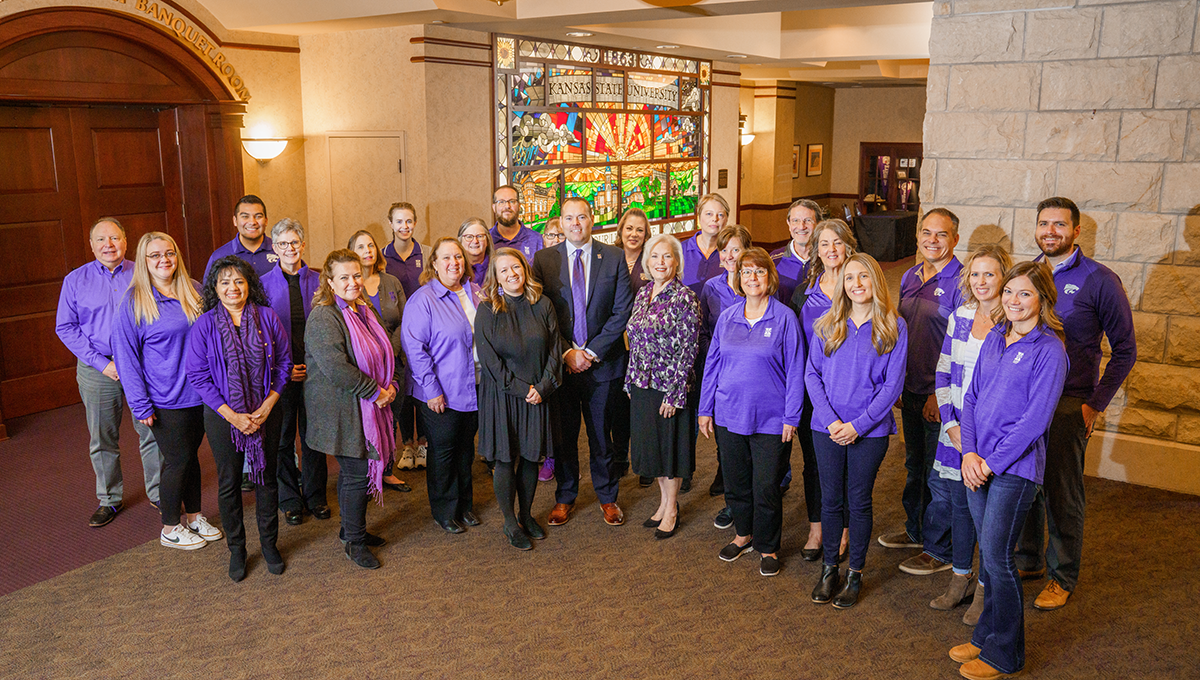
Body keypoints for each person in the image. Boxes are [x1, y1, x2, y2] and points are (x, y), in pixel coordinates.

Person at [1015, 196, 1136, 611]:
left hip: (1070, 403)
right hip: (1024, 402)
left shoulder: (1100, 280)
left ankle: (1061, 575)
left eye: (1059, 225)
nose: (1050, 231)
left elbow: (1125, 350)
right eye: (1043, 223)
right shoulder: (1027, 275)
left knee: (1061, 492)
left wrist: (1094, 405)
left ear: (1076, 231)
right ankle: (1027, 560)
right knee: (1024, 483)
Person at [950, 260, 1068, 680]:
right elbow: (971, 399)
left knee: (999, 559)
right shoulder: (995, 339)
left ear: (1043, 300)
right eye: (1009, 293)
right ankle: (984, 638)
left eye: (1025, 294)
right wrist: (968, 454)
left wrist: (990, 462)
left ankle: (1005, 655)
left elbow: (1035, 421)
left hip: (1014, 470)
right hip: (976, 461)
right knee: (990, 557)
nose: (1014, 301)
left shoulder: (1049, 350)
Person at [806, 253, 908, 608]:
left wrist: (858, 425)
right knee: (831, 500)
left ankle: (856, 574)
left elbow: (892, 386)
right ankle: (830, 568)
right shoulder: (827, 323)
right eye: (850, 278)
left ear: (876, 281)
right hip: (826, 427)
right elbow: (811, 375)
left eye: (864, 277)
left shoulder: (894, 325)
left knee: (858, 501)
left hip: (871, 430)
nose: (856, 284)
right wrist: (833, 422)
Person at [698, 248, 803, 577]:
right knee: (737, 482)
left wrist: (792, 416)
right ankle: (743, 533)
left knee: (767, 486)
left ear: (769, 278)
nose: (752, 278)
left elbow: (797, 370)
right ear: (739, 279)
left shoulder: (784, 318)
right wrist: (705, 409)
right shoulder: (728, 317)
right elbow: (712, 364)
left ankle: (768, 546)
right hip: (729, 413)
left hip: (772, 419)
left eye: (759, 272)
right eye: (746, 273)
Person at [112, 232, 220, 552]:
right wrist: (140, 404)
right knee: (177, 460)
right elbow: (126, 358)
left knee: (191, 459)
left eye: (169, 253)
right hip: (164, 397)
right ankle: (171, 526)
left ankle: (195, 516)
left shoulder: (195, 289)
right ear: (144, 262)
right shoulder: (134, 302)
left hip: (200, 393)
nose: (164, 260)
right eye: (155, 255)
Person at [186, 256, 290, 581]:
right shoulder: (204, 325)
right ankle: (237, 549)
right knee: (229, 483)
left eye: (239, 281)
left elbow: (284, 363)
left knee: (266, 479)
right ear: (215, 288)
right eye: (225, 282)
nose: (233, 288)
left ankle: (270, 545)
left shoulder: (268, 317)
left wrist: (269, 404)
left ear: (250, 285)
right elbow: (198, 376)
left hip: (265, 412)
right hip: (223, 416)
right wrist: (233, 416)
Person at [532, 197, 633, 527]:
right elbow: (540, 316)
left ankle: (607, 496)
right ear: (560, 223)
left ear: (593, 220)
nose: (575, 223)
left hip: (602, 365)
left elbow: (621, 313)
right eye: (569, 218)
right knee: (563, 436)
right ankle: (565, 495)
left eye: (582, 217)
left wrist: (588, 353)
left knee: (602, 436)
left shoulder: (614, 257)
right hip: (560, 365)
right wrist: (567, 353)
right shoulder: (544, 259)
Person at [56, 218, 162, 527]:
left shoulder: (145, 273)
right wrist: (105, 364)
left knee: (152, 431)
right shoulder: (75, 281)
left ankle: (158, 493)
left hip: (143, 367)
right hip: (97, 368)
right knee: (102, 437)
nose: (109, 245)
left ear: (126, 242)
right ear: (91, 245)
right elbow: (66, 327)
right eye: (101, 239)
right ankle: (109, 499)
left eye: (115, 238)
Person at [929, 245, 1014, 625]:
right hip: (956, 432)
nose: (981, 282)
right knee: (960, 507)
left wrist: (975, 440)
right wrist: (950, 425)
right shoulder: (960, 316)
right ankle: (960, 577)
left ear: (1004, 278)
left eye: (990, 274)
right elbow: (943, 372)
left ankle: (986, 586)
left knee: (988, 516)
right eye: (975, 274)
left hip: (991, 437)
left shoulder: (1012, 324)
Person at [305, 250, 400, 569]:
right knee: (358, 474)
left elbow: (386, 348)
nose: (352, 282)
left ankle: (351, 530)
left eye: (357, 275)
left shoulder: (364, 307)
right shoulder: (324, 315)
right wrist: (376, 392)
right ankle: (354, 542)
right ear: (329, 282)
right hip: (341, 408)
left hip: (369, 404)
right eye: (343, 277)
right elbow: (336, 367)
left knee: (353, 474)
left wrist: (392, 385)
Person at [880, 209, 964, 563]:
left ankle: (938, 548)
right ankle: (915, 530)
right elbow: (903, 334)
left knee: (938, 474)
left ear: (955, 239)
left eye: (941, 234)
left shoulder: (962, 282)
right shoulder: (912, 275)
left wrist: (937, 395)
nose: (932, 240)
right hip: (910, 390)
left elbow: (959, 345)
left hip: (939, 396)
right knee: (915, 465)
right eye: (926, 232)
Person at [475, 248, 562, 550]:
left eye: (516, 267)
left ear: (525, 269)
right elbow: (490, 362)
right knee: (504, 458)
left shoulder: (543, 304)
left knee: (530, 457)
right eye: (504, 270)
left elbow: (554, 350)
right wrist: (522, 389)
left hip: (537, 393)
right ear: (495, 277)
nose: (512, 274)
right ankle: (510, 523)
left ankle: (526, 514)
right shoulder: (488, 309)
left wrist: (544, 386)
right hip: (504, 397)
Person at [401, 238, 482, 534]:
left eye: (458, 257)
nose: (454, 263)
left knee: (465, 450)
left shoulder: (475, 292)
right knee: (443, 452)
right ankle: (445, 510)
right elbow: (414, 348)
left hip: (474, 387)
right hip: (440, 393)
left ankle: (465, 506)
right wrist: (432, 389)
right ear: (433, 263)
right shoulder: (423, 299)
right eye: (446, 258)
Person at [627, 234, 701, 539]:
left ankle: (672, 508)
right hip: (642, 384)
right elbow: (634, 340)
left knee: (669, 451)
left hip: (667, 386)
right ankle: (662, 503)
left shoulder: (685, 298)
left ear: (677, 262)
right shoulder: (643, 293)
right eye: (655, 256)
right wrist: (630, 379)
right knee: (652, 450)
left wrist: (675, 391)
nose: (660, 262)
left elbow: (689, 348)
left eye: (667, 256)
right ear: (647, 261)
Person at [792, 219, 858, 561]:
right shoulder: (805, 289)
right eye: (824, 244)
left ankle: (844, 528)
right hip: (812, 393)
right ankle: (817, 527)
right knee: (815, 464)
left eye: (838, 243)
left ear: (849, 245)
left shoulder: (861, 285)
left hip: (851, 392)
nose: (832, 250)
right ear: (816, 250)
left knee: (847, 465)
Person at [261, 219, 330, 527]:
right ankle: (289, 498)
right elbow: (259, 335)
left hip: (316, 371)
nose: (290, 248)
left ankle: (315, 495)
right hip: (280, 374)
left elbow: (331, 326)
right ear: (274, 249)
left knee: (314, 435)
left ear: (303, 244)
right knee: (282, 438)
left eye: (295, 242)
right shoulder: (261, 285)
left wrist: (313, 366)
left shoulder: (320, 281)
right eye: (283, 244)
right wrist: (285, 370)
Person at [349, 229, 411, 490]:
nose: (368, 251)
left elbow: (404, 320)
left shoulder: (391, 282)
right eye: (361, 247)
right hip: (362, 365)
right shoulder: (350, 284)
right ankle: (365, 470)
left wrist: (391, 350)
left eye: (371, 245)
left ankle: (386, 469)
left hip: (393, 362)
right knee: (365, 419)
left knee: (391, 416)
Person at [700, 225, 751, 524]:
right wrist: (716, 358)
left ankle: (758, 498)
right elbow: (704, 332)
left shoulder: (758, 283)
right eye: (725, 250)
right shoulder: (711, 288)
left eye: (737, 249)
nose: (731, 256)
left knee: (754, 442)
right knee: (728, 446)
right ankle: (734, 503)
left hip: (756, 378)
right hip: (723, 377)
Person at [381, 201, 429, 470]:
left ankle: (423, 444)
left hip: (424, 331)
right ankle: (407, 445)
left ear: (415, 223)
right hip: (395, 333)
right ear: (391, 224)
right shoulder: (380, 256)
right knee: (402, 390)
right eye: (399, 221)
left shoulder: (427, 253)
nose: (404, 226)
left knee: (421, 386)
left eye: (409, 221)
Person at [613, 207, 651, 485]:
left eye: (639, 229)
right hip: (615, 343)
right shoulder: (609, 258)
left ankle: (645, 462)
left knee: (642, 404)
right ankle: (618, 457)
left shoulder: (652, 260)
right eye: (629, 228)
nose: (634, 234)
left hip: (645, 346)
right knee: (617, 404)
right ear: (620, 230)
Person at [537, 217, 565, 483]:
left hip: (566, 342)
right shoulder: (539, 261)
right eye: (551, 235)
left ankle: (554, 457)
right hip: (543, 340)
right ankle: (544, 453)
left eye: (561, 235)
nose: (556, 239)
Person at [203, 195, 278, 280]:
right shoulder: (219, 256)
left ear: (266, 221)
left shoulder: (281, 251)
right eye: (245, 216)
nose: (252, 222)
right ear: (235, 221)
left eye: (258, 216)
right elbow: (208, 291)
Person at [771, 199, 819, 304]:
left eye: (808, 220)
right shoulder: (774, 260)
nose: (802, 226)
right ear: (788, 224)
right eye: (795, 221)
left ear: (818, 224)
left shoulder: (828, 259)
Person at [681, 193, 730, 296]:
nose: (715, 219)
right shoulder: (680, 250)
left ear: (726, 220)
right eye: (709, 214)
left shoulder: (731, 252)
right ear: (699, 217)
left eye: (720, 215)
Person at [490, 185, 543, 258]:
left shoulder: (537, 240)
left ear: (519, 206)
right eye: (501, 202)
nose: (507, 206)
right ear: (494, 208)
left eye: (512, 201)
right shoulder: (486, 240)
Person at [459, 217, 492, 287]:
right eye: (469, 237)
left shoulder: (497, 266)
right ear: (460, 241)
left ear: (487, 241)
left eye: (480, 236)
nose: (475, 241)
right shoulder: (455, 268)